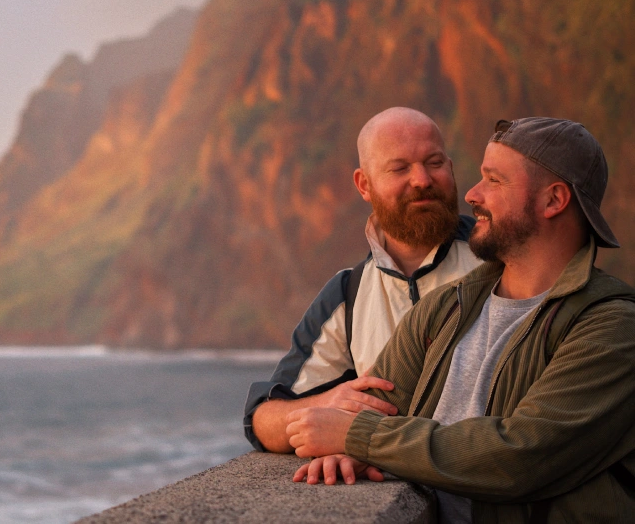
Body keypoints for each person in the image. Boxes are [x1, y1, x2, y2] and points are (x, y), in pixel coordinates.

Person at [287, 118, 635, 522]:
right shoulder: (443, 308)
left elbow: (520, 455)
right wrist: (350, 444)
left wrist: (359, 439)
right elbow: (373, 410)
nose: (472, 193)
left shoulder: (612, 327)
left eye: (494, 180)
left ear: (553, 200)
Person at [244, 107, 482, 453]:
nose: (422, 180)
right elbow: (263, 419)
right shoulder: (348, 294)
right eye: (399, 168)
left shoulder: (501, 256)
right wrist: (329, 402)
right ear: (363, 185)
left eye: (434, 162)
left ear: (450, 167)